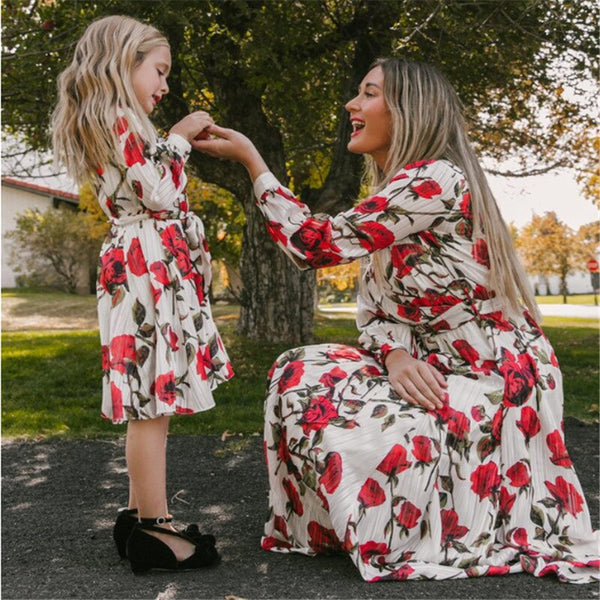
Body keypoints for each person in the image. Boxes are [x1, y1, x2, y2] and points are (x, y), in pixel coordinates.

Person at [193, 58, 599, 583]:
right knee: (300, 372)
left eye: (368, 94)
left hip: (497, 380)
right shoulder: (396, 194)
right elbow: (378, 311)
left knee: (335, 396)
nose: (351, 106)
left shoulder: (436, 180)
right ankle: (368, 526)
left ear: (408, 110)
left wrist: (253, 160)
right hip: (434, 365)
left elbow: (313, 244)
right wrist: (396, 352)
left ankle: (410, 529)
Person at [52, 15, 232, 574]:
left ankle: (137, 514)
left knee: (150, 397)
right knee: (151, 403)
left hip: (143, 263)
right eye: (159, 70)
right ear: (124, 62)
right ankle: (155, 528)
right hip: (144, 266)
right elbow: (157, 192)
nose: (165, 84)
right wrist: (179, 136)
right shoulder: (118, 118)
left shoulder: (112, 120)